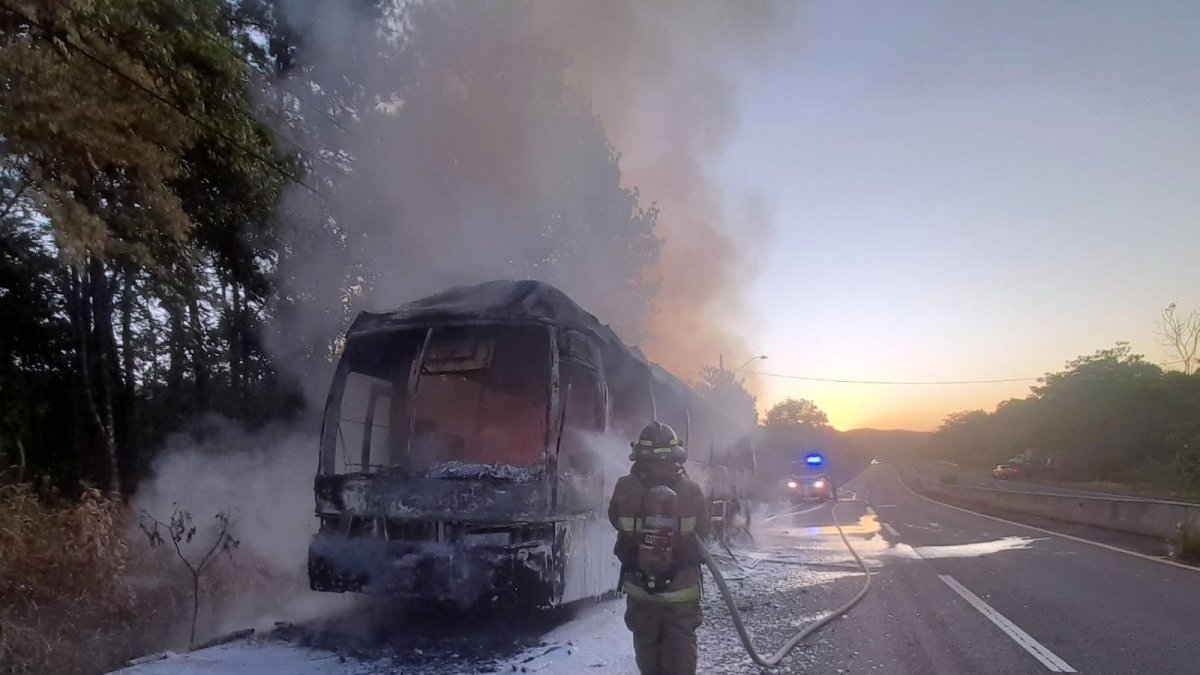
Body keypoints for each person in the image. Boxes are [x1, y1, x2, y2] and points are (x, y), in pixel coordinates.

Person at [608, 421, 711, 675]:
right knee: (681, 652)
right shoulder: (691, 490)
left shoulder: (625, 487)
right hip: (681, 589)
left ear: (640, 455)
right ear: (677, 455)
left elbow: (614, 519)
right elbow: (705, 531)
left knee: (647, 649)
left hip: (641, 588)